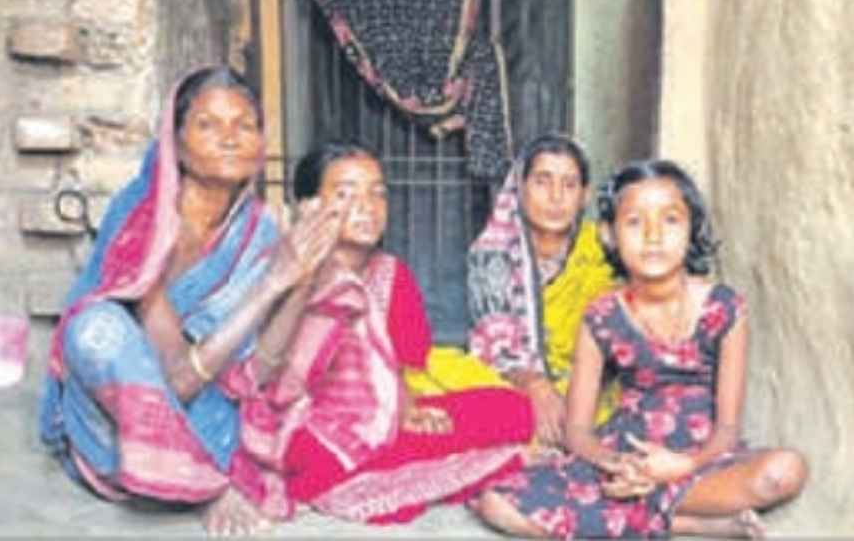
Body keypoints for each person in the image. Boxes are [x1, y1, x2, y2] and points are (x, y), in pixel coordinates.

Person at [37, 65, 344, 536]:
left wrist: (301, 275)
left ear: (261, 143)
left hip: (208, 414)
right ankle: (205, 483)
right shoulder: (142, 220)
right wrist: (270, 285)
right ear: (175, 144)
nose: (230, 138)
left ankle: (196, 472)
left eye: (245, 125)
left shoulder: (258, 231)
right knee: (96, 329)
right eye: (208, 124)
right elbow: (176, 381)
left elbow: (257, 373)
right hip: (115, 428)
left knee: (299, 419)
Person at [475, 160, 808, 538]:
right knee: (495, 503)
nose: (653, 236)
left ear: (692, 229)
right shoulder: (601, 315)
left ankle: (636, 512)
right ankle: (691, 521)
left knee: (784, 472)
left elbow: (728, 428)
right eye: (634, 222)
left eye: (670, 220)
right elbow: (578, 430)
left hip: (700, 459)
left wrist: (683, 466)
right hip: (625, 455)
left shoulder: (725, 307)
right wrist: (617, 465)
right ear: (609, 234)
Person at [234, 141, 535, 524]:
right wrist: (304, 276)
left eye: (377, 193)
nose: (368, 206)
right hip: (308, 429)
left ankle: (385, 467)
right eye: (345, 193)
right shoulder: (282, 267)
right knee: (311, 456)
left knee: (514, 409)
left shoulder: (392, 275)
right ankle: (454, 467)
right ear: (308, 205)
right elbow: (274, 385)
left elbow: (399, 369)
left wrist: (406, 411)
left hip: (384, 421)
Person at [408, 134, 619, 453]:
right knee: (424, 369)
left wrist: (560, 389)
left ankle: (518, 431)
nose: (556, 197)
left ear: (584, 195)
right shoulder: (492, 253)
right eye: (543, 182)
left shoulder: (604, 249)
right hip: (513, 378)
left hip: (584, 381)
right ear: (519, 187)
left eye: (569, 185)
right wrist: (534, 384)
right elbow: (498, 349)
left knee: (600, 403)